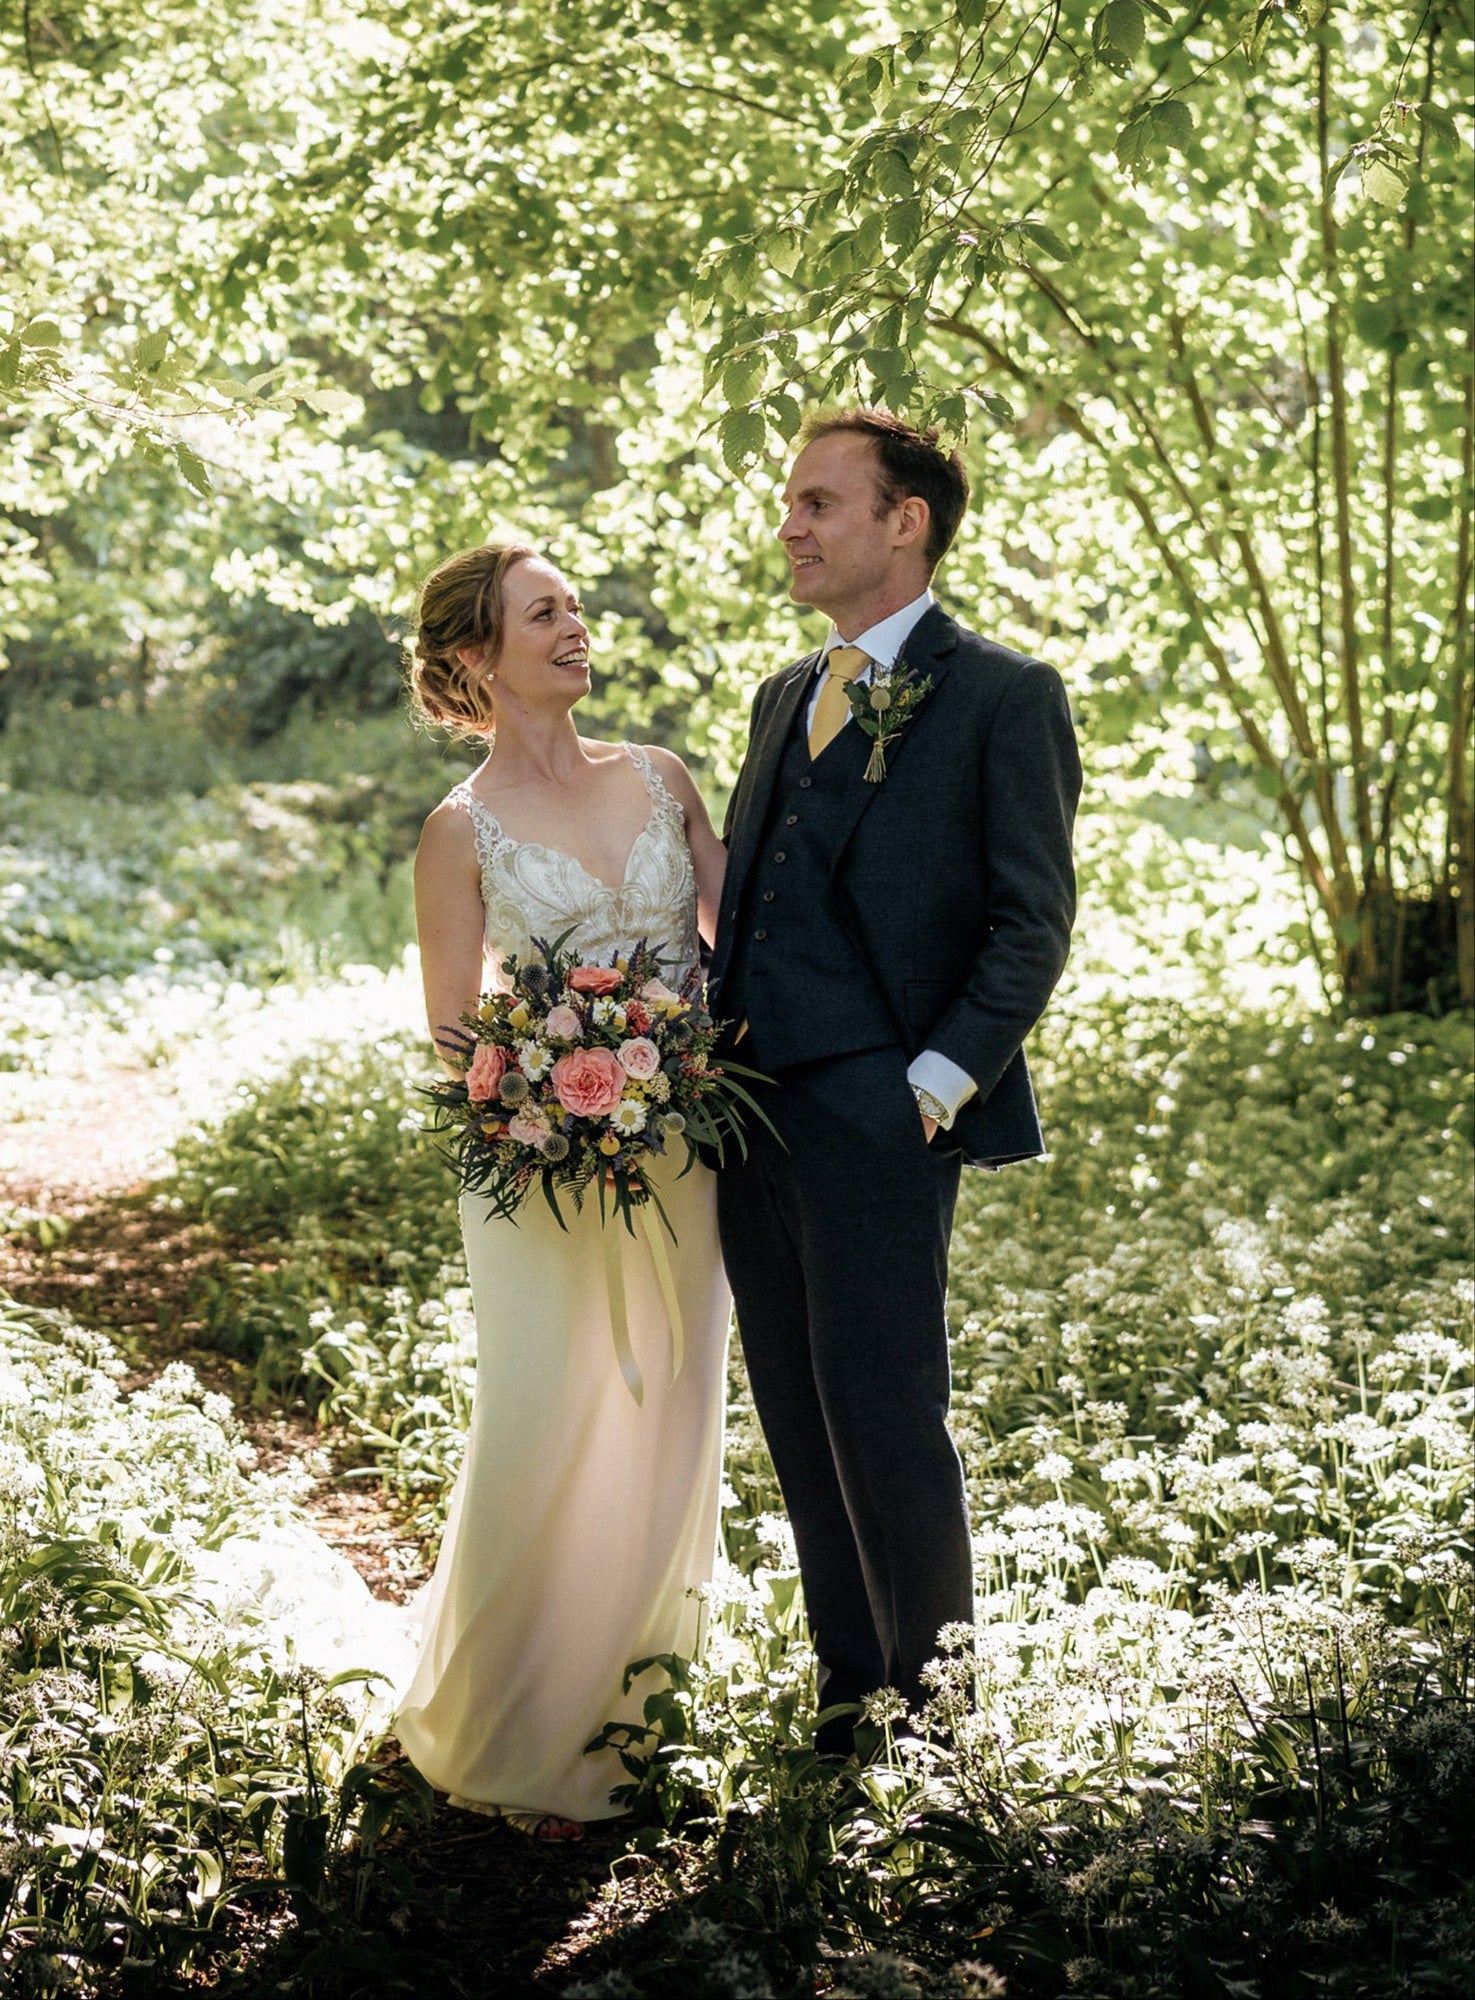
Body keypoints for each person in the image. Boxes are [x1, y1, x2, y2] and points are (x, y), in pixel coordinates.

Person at [709, 410, 1082, 1753]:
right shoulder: (778, 696)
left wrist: (934, 1080)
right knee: (800, 1419)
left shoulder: (1000, 695)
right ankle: (848, 1689)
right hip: (745, 1111)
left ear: (903, 521)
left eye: (819, 502)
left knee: (886, 1415)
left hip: (882, 1109)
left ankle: (936, 1722)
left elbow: (1031, 920)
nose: (791, 525)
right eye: (791, 504)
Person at [397, 541, 731, 1839]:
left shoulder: (661, 777)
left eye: (578, 608)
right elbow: (449, 1035)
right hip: (535, 1173)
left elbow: (743, 936)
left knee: (671, 1415)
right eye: (547, 614)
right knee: (549, 1414)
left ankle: (640, 1724)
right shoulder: (457, 831)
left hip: (684, 1153)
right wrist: (546, 1094)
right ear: (479, 657)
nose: (577, 628)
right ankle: (522, 1724)